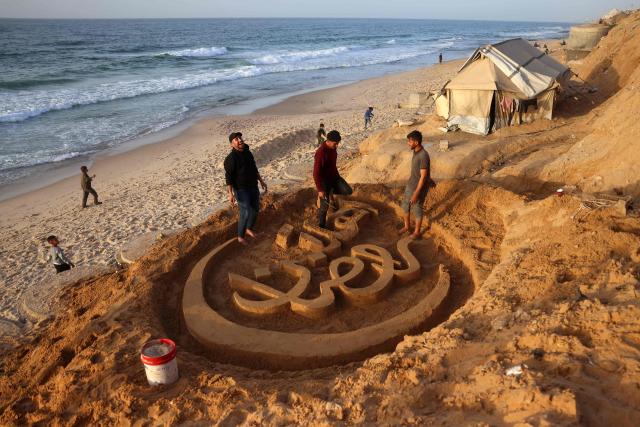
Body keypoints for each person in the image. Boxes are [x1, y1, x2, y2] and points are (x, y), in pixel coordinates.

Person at [224, 132, 267, 244]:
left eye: (240, 138)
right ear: (231, 144)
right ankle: (240, 236)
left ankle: (249, 229)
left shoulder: (248, 152)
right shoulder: (231, 158)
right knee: (246, 211)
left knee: (255, 210)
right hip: (241, 189)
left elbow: (254, 168)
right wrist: (230, 194)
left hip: (253, 186)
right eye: (236, 139)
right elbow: (228, 177)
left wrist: (261, 181)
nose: (239, 140)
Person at [313, 130, 352, 228]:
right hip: (324, 181)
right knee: (324, 207)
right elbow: (316, 173)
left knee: (347, 190)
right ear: (328, 141)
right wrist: (320, 190)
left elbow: (332, 165)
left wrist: (337, 177)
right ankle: (321, 225)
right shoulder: (321, 153)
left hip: (334, 177)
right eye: (335, 144)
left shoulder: (333, 148)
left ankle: (329, 192)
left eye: (338, 143)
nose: (337, 146)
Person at [399, 130, 431, 239]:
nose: (408, 143)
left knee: (417, 208)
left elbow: (423, 176)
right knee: (405, 205)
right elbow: (423, 172)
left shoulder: (423, 156)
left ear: (416, 142)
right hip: (411, 183)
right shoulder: (416, 151)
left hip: (419, 187)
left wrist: (416, 193)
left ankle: (417, 232)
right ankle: (407, 226)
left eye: (410, 141)